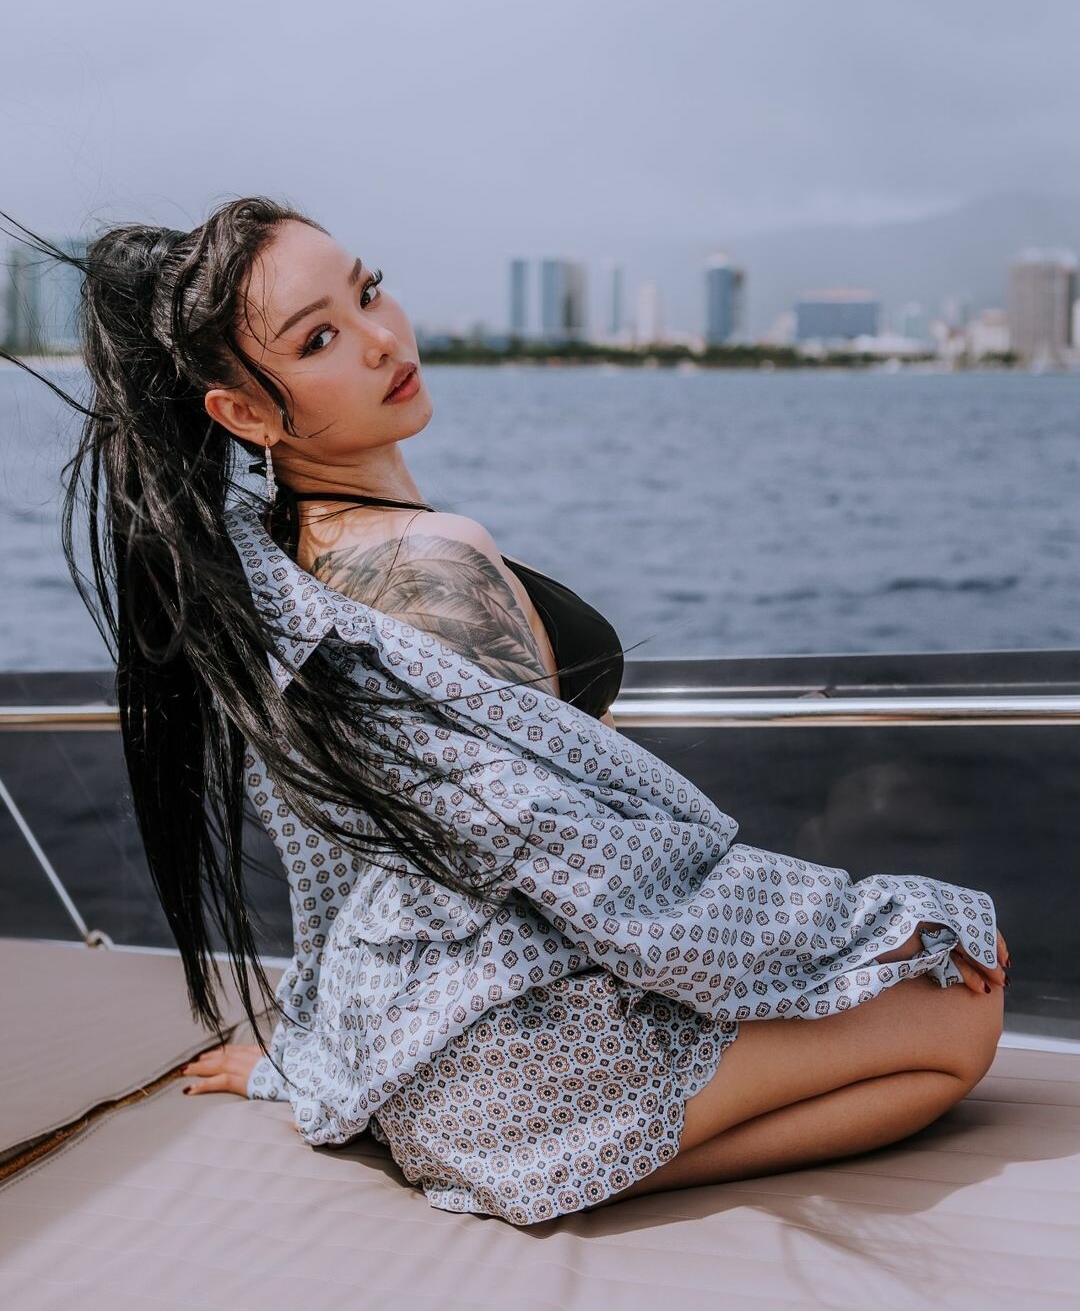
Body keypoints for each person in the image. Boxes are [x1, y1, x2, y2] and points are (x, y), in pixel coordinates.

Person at [1, 197, 1009, 1226]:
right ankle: (551, 1168)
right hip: (500, 1067)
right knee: (959, 1017)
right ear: (246, 416)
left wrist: (308, 1060)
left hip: (412, 1044)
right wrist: (868, 927)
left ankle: (529, 1150)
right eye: (319, 340)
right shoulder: (428, 564)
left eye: (367, 292)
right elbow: (575, 850)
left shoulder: (280, 572)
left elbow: (357, 860)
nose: (381, 339)